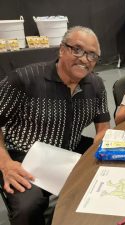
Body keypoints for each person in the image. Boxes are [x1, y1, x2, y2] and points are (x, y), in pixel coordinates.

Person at [0, 26, 110, 225]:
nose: (85, 59)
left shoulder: (95, 85)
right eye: (77, 49)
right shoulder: (23, 79)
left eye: (92, 55)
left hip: (70, 149)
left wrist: (101, 147)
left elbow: (103, 128)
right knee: (28, 208)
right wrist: (5, 163)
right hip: (25, 155)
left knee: (113, 176)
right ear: (61, 49)